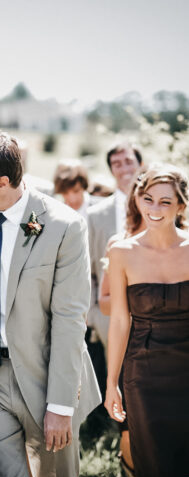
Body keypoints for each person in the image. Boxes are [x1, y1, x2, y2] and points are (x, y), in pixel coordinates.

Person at [0, 129, 101, 477]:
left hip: (44, 373)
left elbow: (69, 319)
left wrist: (61, 405)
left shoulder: (65, 227)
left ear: (3, 182)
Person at [105, 164, 189, 477]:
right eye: (148, 199)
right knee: (160, 472)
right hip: (144, 375)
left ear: (180, 205)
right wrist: (112, 382)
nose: (154, 209)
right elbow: (120, 321)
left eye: (165, 202)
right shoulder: (122, 252)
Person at [97, 170, 146, 477]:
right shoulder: (120, 243)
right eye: (145, 200)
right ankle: (132, 476)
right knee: (131, 427)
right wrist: (133, 299)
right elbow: (104, 302)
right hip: (131, 344)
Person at [87, 142, 143, 349]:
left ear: (140, 164)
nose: (124, 168)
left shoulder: (160, 207)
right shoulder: (95, 215)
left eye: (129, 161)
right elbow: (89, 268)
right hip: (108, 317)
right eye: (117, 164)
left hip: (154, 315)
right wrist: (93, 315)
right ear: (111, 170)